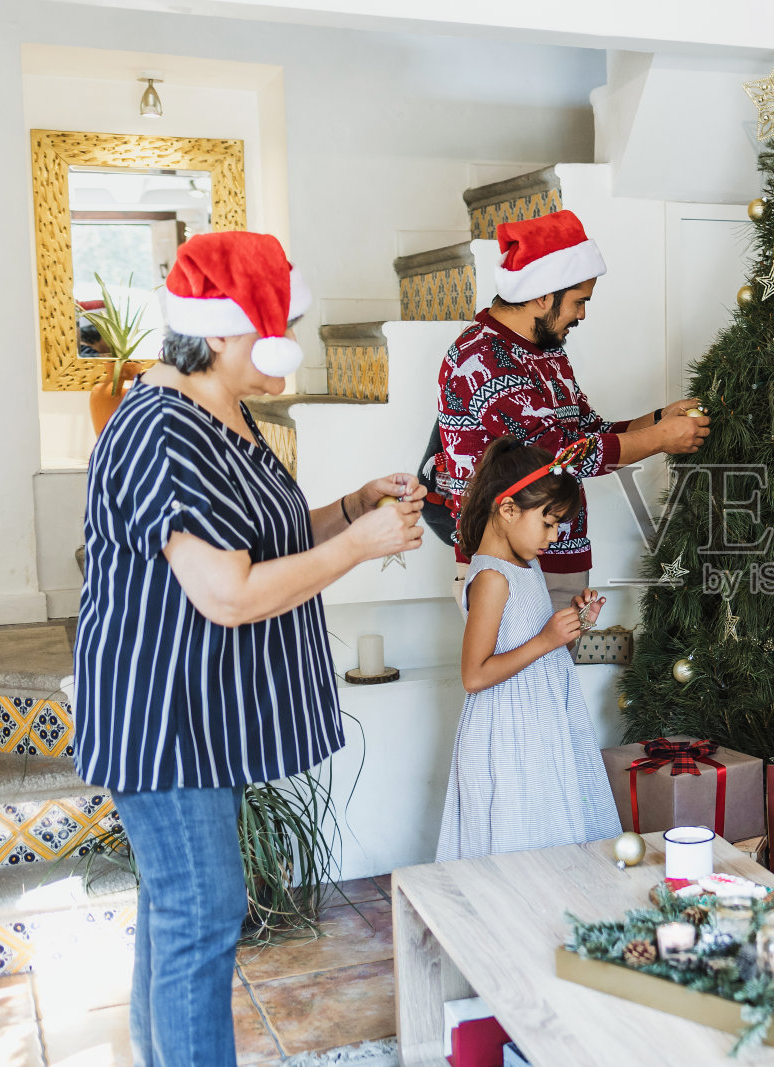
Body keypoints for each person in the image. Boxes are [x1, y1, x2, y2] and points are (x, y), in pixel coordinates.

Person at [73, 231, 424, 1067]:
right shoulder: (163, 427)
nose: (289, 350)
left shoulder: (220, 413)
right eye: (278, 329)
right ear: (226, 333)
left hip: (203, 715)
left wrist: (349, 508)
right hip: (165, 715)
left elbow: (262, 539)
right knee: (201, 911)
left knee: (180, 910)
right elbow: (226, 592)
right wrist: (362, 546)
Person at [434, 209, 709, 609]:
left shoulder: (545, 350)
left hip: (558, 558)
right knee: (519, 673)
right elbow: (562, 455)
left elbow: (587, 430)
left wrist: (658, 420)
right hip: (508, 565)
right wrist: (660, 440)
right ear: (544, 294)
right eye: (578, 301)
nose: (582, 314)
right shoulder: (486, 358)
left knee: (556, 674)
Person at [436, 437, 623, 860]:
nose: (554, 536)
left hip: (541, 721)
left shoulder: (526, 565)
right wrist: (546, 639)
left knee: (551, 828)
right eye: (549, 522)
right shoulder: (491, 578)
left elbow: (530, 632)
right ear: (507, 510)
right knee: (520, 838)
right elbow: (474, 675)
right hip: (508, 730)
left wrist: (573, 621)